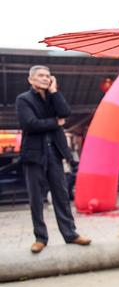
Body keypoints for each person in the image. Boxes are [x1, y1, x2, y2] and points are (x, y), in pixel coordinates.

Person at [15, 65, 91, 254]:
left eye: (48, 76)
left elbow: (65, 112)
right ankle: (40, 238)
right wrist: (54, 123)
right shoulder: (23, 99)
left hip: (55, 154)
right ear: (31, 79)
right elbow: (30, 124)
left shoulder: (53, 97)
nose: (45, 78)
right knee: (36, 199)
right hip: (34, 156)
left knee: (62, 196)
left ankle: (70, 234)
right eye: (40, 75)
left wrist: (55, 91)